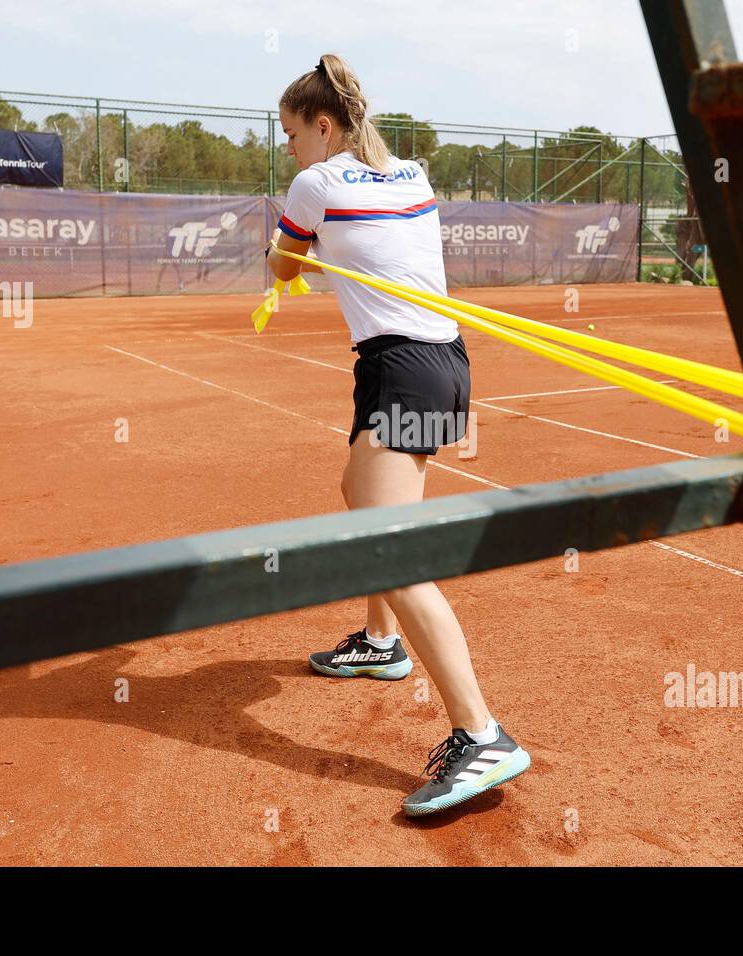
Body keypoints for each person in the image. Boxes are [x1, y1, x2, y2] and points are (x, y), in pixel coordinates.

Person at [267, 53, 529, 817]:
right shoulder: (411, 172)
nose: (287, 148)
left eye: (290, 133)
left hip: (401, 367)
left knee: (392, 545)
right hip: (441, 361)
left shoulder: (313, 183)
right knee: (361, 494)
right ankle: (382, 645)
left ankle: (481, 732)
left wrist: (298, 255)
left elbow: (282, 267)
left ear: (323, 127)